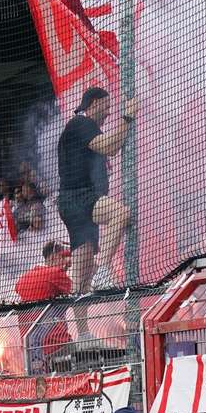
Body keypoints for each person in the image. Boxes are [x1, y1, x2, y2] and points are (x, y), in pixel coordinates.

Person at [57, 88, 136, 297]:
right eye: (107, 106)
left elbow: (112, 146)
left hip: (77, 203)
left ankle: (81, 330)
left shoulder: (84, 127)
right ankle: (103, 270)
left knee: (80, 283)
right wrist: (127, 117)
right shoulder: (81, 123)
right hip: (78, 198)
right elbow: (110, 146)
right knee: (120, 213)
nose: (109, 112)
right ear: (94, 103)